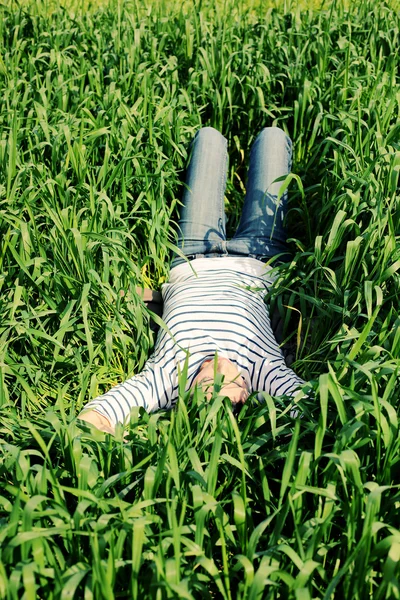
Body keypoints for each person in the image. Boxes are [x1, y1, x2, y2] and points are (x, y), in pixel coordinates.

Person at [78, 126, 306, 434]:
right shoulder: (263, 373)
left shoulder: (165, 381)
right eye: (231, 379)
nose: (220, 365)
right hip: (257, 258)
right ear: (246, 393)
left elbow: (99, 416)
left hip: (192, 255)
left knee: (208, 138)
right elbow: (310, 405)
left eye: (208, 382)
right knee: (273, 138)